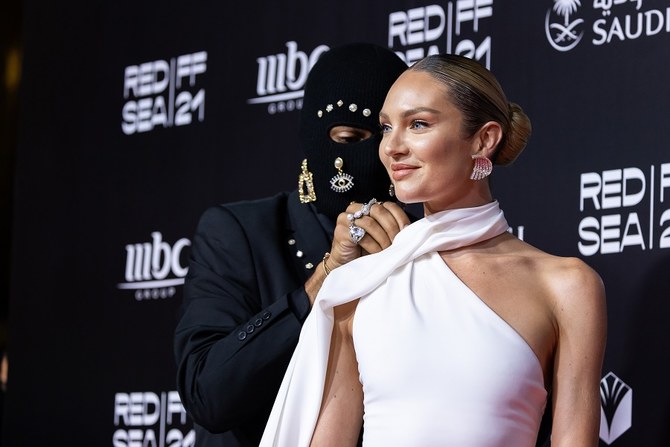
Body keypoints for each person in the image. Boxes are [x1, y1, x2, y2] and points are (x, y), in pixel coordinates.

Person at [260, 54, 607, 447]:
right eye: (387, 127)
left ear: (484, 139)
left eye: (418, 125)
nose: (392, 147)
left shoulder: (566, 286)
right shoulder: (361, 283)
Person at [173, 43, 411, 447]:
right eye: (347, 137)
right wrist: (323, 279)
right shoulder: (240, 233)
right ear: (315, 143)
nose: (372, 156)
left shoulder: (418, 241)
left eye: (387, 137)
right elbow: (208, 395)